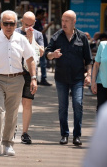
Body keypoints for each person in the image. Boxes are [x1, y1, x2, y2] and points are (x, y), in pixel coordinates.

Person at [0, 10, 37, 157]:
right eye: (6, 23)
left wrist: (34, 78)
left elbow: (30, 59)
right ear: (1, 24)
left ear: (16, 24)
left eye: (12, 23)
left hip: (16, 79)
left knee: (12, 113)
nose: (9, 26)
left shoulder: (21, 39)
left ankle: (7, 144)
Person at [45, 10, 92, 146]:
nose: (63, 23)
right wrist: (52, 55)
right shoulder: (56, 36)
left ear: (74, 22)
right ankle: (64, 134)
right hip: (61, 78)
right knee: (63, 107)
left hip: (78, 78)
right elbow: (47, 53)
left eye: (67, 21)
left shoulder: (82, 37)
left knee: (78, 104)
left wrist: (88, 75)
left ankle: (76, 135)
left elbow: (88, 60)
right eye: (62, 20)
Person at [15, 11, 44, 144]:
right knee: (13, 103)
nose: (28, 27)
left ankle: (25, 132)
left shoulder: (38, 34)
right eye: (26, 24)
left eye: (31, 24)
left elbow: (41, 53)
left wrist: (31, 39)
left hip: (30, 73)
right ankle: (12, 128)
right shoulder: (14, 32)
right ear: (22, 22)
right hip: (15, 72)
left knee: (27, 103)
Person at [34, 9, 53, 86]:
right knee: (42, 63)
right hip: (39, 46)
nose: (44, 16)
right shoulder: (36, 22)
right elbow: (40, 33)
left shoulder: (38, 22)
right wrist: (48, 26)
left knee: (39, 62)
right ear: (38, 14)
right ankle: (43, 79)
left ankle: (37, 78)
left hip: (40, 45)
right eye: (42, 14)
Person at [91, 40, 107, 111]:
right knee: (101, 111)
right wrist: (93, 81)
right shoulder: (103, 45)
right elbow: (96, 64)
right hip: (102, 84)